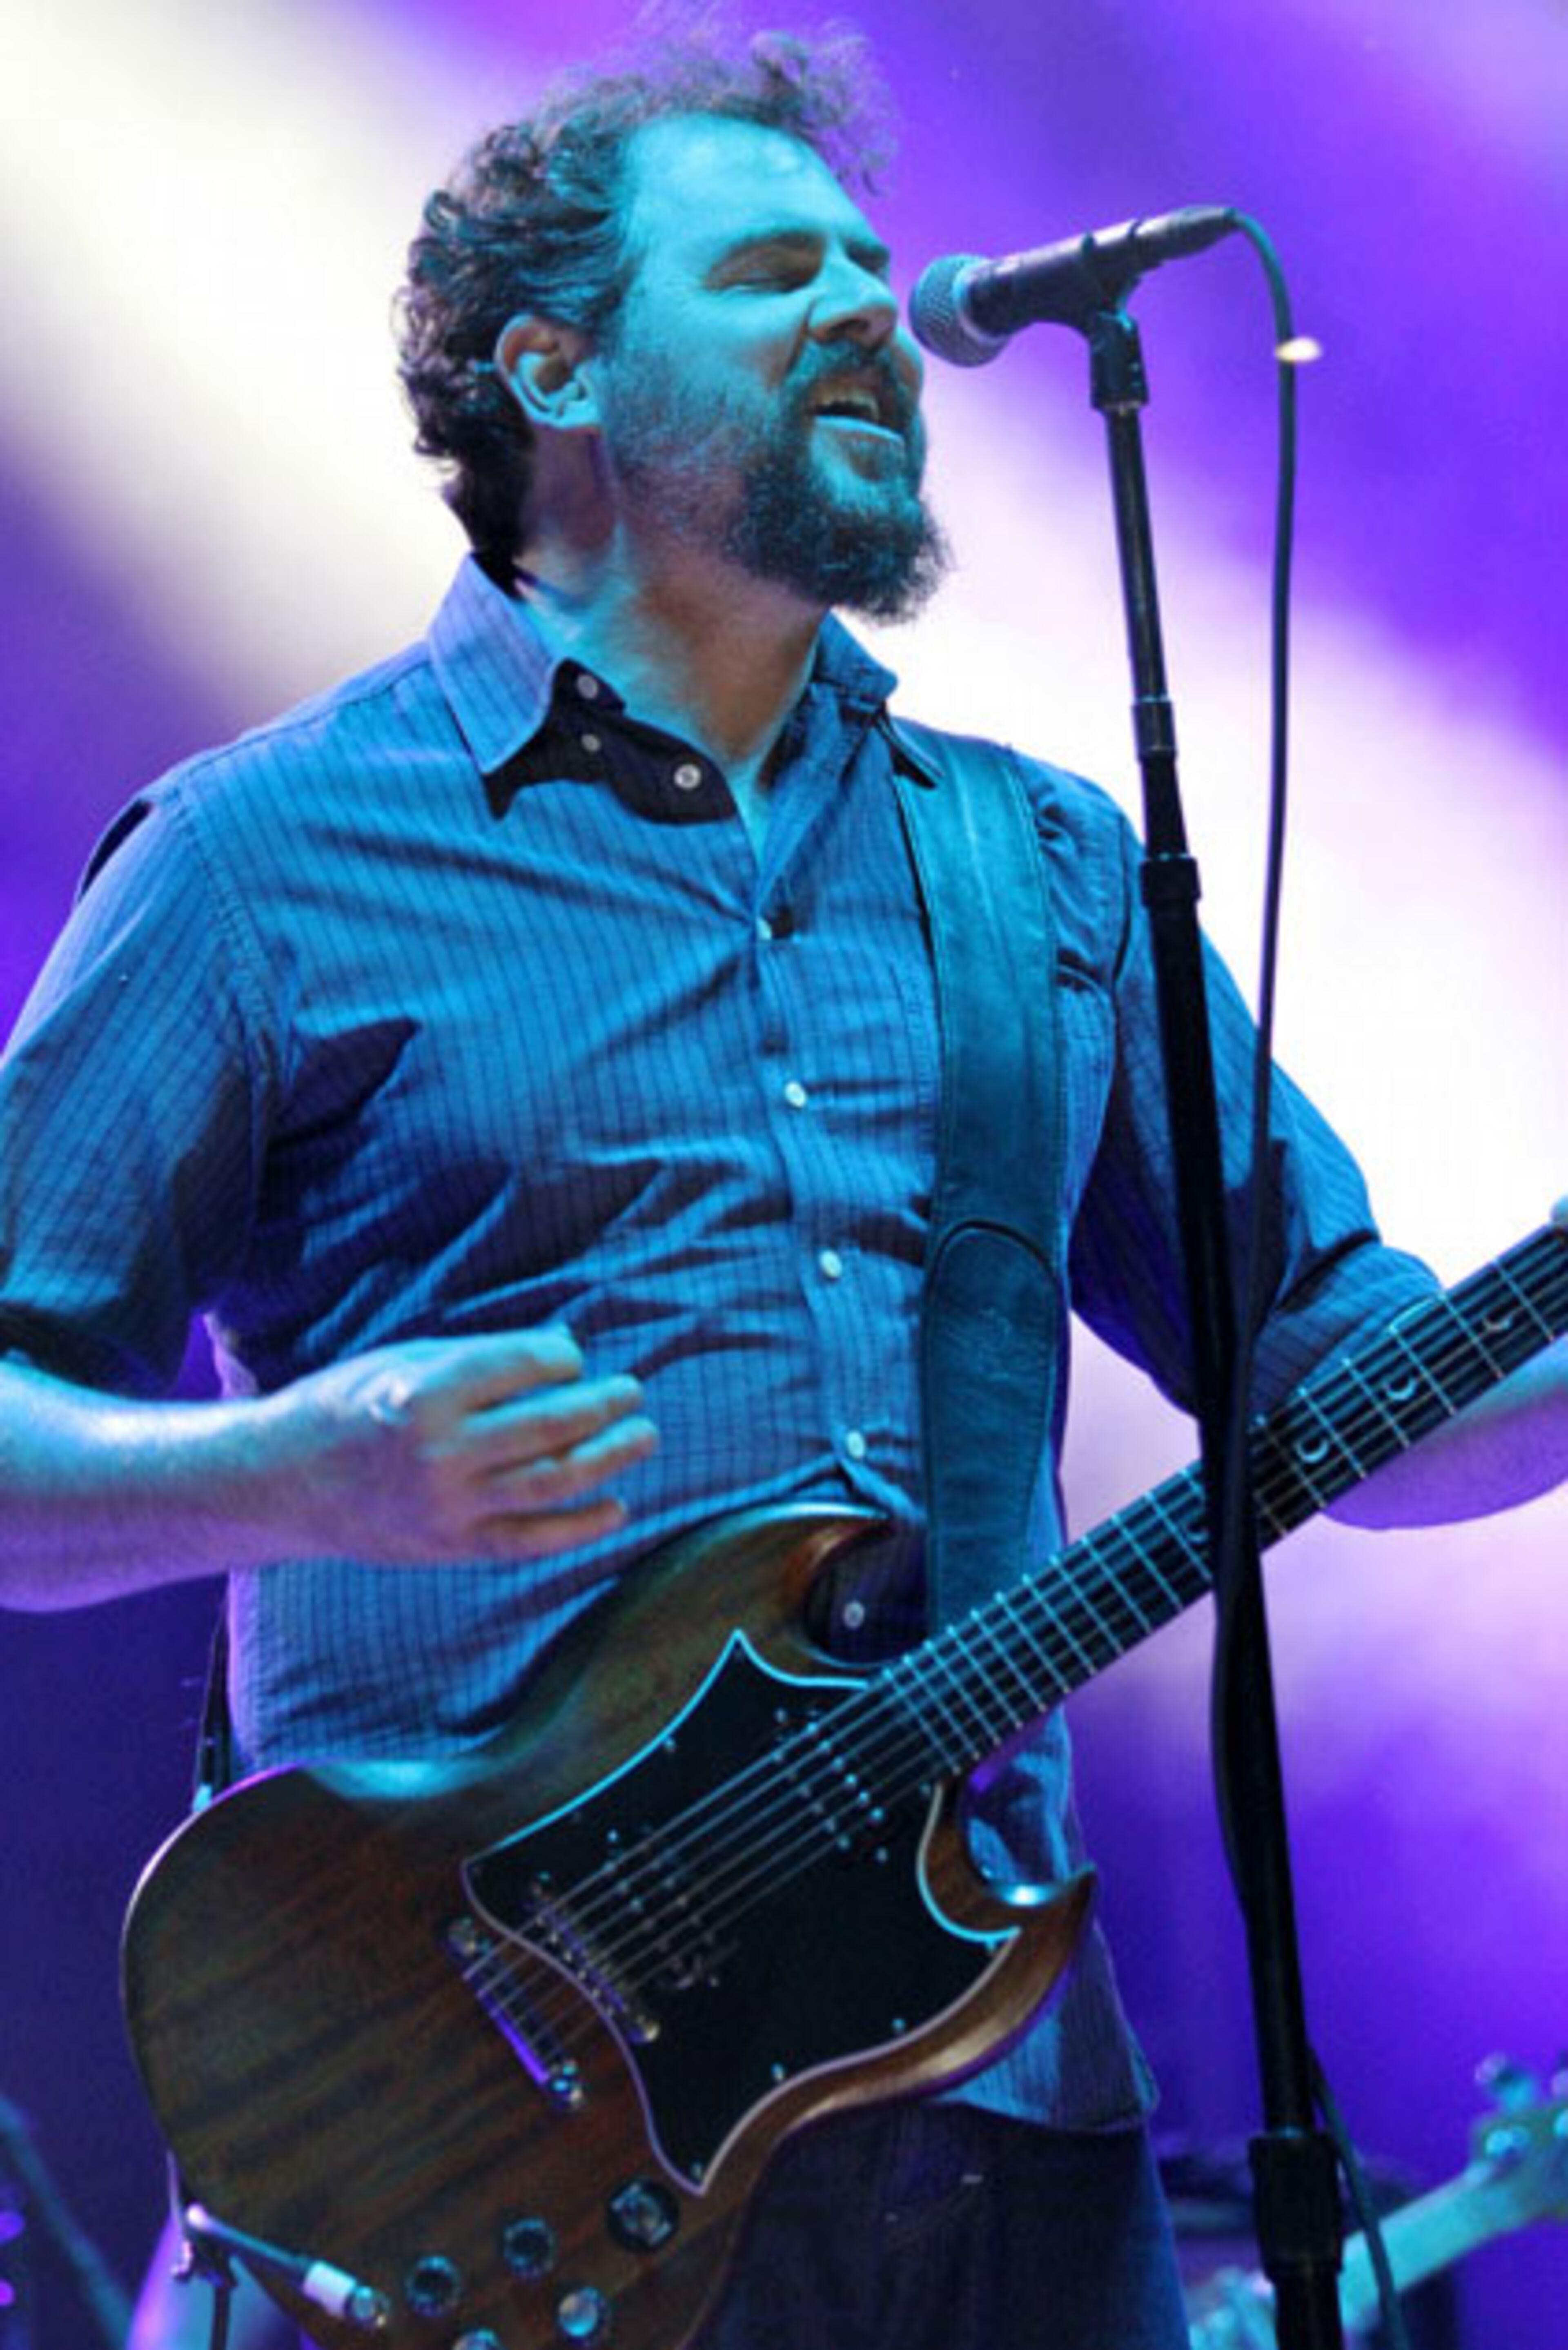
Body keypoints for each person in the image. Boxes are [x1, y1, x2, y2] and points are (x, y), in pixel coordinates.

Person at [3, 25, 1564, 2350]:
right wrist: (296, 1467)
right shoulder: (267, 861)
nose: (870, 305)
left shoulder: (1031, 864)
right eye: (769, 269)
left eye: (873, 261)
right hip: (458, 2150)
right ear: (553, 367)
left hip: (989, 2116)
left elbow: (1356, 1395)